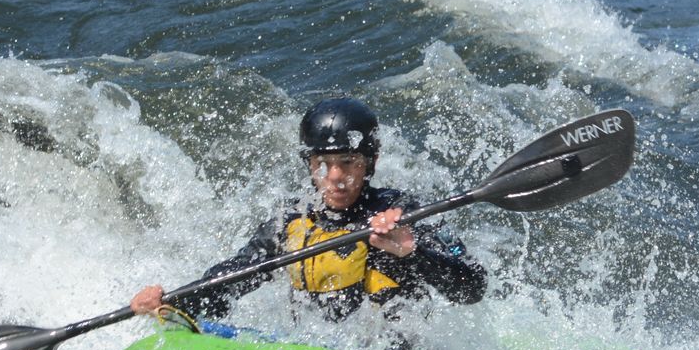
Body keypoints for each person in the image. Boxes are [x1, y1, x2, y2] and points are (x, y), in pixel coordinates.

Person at [129, 97, 487, 327]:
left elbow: (472, 287)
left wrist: (413, 252)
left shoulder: (401, 213)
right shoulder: (294, 219)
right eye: (322, 164)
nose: (335, 177)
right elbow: (236, 275)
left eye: (348, 162)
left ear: (370, 163)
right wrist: (174, 304)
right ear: (309, 164)